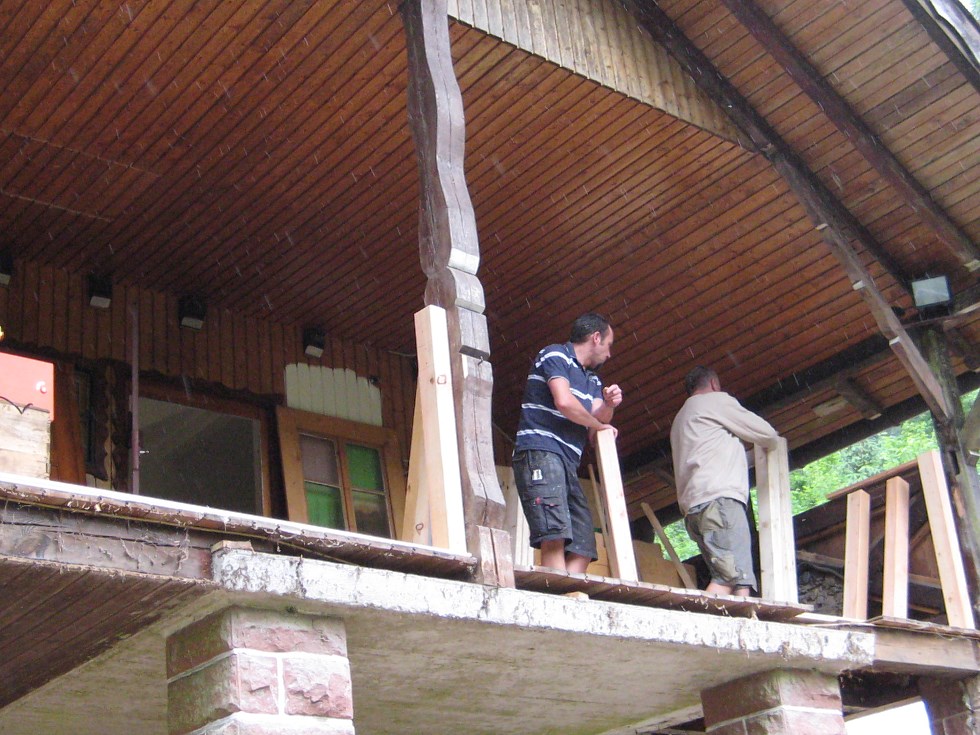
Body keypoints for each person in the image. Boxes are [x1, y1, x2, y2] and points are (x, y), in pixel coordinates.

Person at [512, 313, 624, 573]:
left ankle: (565, 591)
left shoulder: (592, 380)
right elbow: (564, 402)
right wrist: (598, 425)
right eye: (608, 345)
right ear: (596, 338)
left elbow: (599, 417)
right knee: (554, 535)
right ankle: (557, 591)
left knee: (583, 545)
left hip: (567, 462)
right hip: (541, 451)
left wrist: (609, 404)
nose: (609, 354)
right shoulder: (555, 354)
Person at [669, 365, 779, 596]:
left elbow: (710, 457)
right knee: (728, 578)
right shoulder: (714, 401)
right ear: (713, 384)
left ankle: (744, 618)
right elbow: (767, 435)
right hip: (719, 504)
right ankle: (701, 619)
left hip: (695, 509)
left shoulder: (681, 419)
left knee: (739, 578)